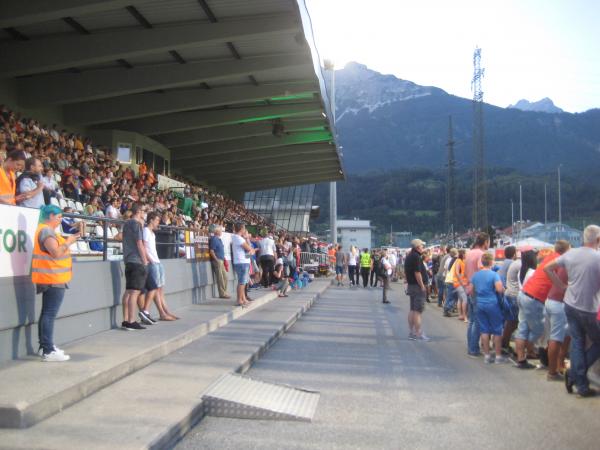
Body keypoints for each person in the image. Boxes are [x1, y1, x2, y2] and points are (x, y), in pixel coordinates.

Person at [544, 225, 600, 397]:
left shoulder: (571, 254)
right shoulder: (597, 257)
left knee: (577, 342)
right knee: (597, 343)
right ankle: (575, 375)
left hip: (569, 304)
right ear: (597, 240)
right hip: (588, 307)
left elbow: (547, 268)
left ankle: (579, 382)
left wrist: (561, 286)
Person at [32, 205, 79, 361]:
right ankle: (48, 350)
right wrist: (69, 242)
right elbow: (56, 252)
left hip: (51, 277)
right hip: (52, 278)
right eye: (59, 217)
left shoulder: (46, 230)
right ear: (51, 216)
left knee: (47, 313)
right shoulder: (46, 231)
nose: (60, 220)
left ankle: (44, 347)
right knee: (49, 314)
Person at [515, 242, 568, 370]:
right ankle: (530, 349)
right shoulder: (559, 261)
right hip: (534, 299)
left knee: (523, 328)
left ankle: (521, 358)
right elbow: (563, 281)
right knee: (538, 330)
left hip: (524, 294)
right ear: (566, 251)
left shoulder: (549, 257)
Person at [138, 211, 179, 323]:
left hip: (157, 262)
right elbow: (144, 247)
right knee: (155, 289)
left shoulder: (153, 233)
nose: (158, 223)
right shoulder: (146, 231)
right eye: (157, 220)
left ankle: (166, 312)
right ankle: (162, 313)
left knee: (160, 289)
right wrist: (149, 260)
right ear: (151, 220)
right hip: (153, 263)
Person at [471, 252, 508, 364]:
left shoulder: (476, 275)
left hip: (480, 304)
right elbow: (499, 289)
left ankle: (487, 356)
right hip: (492, 304)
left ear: (482, 262)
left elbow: (472, 291)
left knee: (484, 330)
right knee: (497, 330)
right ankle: (497, 356)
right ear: (491, 262)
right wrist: (504, 289)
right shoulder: (494, 275)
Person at [542, 241, 571, 381]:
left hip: (550, 300)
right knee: (556, 339)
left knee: (561, 336)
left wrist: (559, 285)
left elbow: (548, 270)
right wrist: (563, 287)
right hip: (559, 304)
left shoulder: (559, 263)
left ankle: (557, 366)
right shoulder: (567, 263)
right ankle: (552, 372)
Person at [120, 203, 149, 330]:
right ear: (139, 212)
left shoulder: (127, 223)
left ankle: (126, 320)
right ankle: (131, 321)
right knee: (134, 292)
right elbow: (139, 243)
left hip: (128, 260)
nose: (145, 213)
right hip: (136, 261)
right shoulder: (136, 225)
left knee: (128, 291)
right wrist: (145, 260)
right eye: (144, 211)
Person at [465, 233, 490, 357]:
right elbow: (482, 271)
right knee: (478, 321)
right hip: (477, 289)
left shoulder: (469, 253)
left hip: (469, 287)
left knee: (471, 320)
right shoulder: (481, 254)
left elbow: (465, 271)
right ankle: (474, 348)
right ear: (485, 242)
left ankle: (470, 346)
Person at [404, 239, 430, 341]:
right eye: (422, 246)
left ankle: (412, 332)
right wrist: (422, 285)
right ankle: (418, 333)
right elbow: (417, 273)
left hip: (411, 285)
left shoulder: (409, 256)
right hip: (417, 286)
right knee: (417, 311)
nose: (423, 248)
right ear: (418, 247)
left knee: (412, 309)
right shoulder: (416, 257)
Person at [502, 246, 521, 350]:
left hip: (507, 292)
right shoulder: (514, 263)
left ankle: (504, 342)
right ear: (514, 254)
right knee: (513, 321)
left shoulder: (507, 262)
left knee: (510, 320)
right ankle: (504, 342)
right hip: (513, 294)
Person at [232, 222, 255, 307]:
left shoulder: (238, 238)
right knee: (242, 282)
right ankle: (239, 300)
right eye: (244, 228)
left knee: (244, 282)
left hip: (243, 261)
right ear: (241, 229)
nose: (245, 230)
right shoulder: (238, 238)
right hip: (242, 262)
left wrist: (251, 251)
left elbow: (249, 253)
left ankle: (243, 298)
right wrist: (252, 250)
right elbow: (249, 248)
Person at [209, 224, 230, 299]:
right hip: (218, 260)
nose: (221, 231)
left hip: (221, 260)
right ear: (216, 231)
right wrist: (216, 260)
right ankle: (222, 293)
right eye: (220, 230)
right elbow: (212, 251)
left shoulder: (219, 239)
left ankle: (224, 292)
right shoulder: (214, 239)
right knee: (220, 278)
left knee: (225, 277)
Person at [452, 249, 469, 322]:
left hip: (459, 282)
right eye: (466, 253)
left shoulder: (461, 261)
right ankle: (465, 316)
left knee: (460, 299)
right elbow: (457, 272)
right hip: (459, 282)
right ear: (462, 254)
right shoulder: (458, 261)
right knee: (465, 299)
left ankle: (460, 315)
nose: (467, 255)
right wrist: (462, 282)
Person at [443, 248, 458, 317]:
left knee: (449, 296)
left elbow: (446, 269)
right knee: (455, 297)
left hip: (448, 279)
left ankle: (446, 309)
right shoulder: (457, 260)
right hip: (453, 280)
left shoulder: (449, 259)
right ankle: (447, 309)